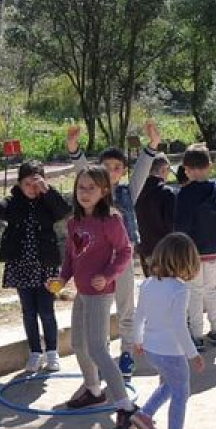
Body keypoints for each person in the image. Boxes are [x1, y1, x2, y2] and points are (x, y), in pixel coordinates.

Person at [49, 165, 141, 429]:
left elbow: (126, 251)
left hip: (101, 294)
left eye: (91, 188)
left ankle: (126, 407)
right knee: (78, 343)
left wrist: (108, 274)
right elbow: (70, 258)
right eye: (81, 187)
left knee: (98, 349)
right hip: (83, 293)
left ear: (104, 191)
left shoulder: (112, 221)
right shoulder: (74, 223)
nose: (85, 193)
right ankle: (93, 390)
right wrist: (60, 279)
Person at [67, 120, 159, 380]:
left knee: (126, 308)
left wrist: (153, 143)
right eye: (106, 167)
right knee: (99, 311)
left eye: (117, 168)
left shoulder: (130, 191)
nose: (111, 171)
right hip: (96, 262)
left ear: (123, 171)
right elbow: (83, 170)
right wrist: (74, 147)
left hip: (123, 258)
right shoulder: (92, 193)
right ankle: (101, 355)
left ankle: (127, 354)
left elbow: (142, 167)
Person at [0, 161, 72, 373]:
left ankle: (52, 352)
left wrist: (48, 191)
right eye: (26, 183)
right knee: (29, 311)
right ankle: (35, 352)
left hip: (46, 267)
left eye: (36, 183)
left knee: (47, 310)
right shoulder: (13, 203)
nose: (31, 187)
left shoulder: (48, 202)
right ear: (19, 184)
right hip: (20, 266)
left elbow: (64, 211)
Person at [131, 232, 207, 429]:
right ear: (186, 261)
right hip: (171, 352)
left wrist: (137, 340)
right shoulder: (179, 289)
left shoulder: (147, 284)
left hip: (151, 350)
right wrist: (193, 354)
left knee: (170, 386)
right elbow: (179, 326)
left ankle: (144, 415)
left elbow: (139, 315)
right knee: (181, 393)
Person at [173, 143, 216, 351]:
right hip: (215, 250)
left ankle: (196, 335)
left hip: (192, 253)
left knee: (194, 291)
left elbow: (180, 226)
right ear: (210, 165)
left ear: (187, 169)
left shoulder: (184, 195)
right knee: (212, 290)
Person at [134, 152, 176, 276]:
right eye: (168, 171)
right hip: (164, 251)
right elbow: (172, 225)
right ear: (163, 169)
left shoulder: (136, 192)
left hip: (145, 248)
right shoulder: (167, 193)